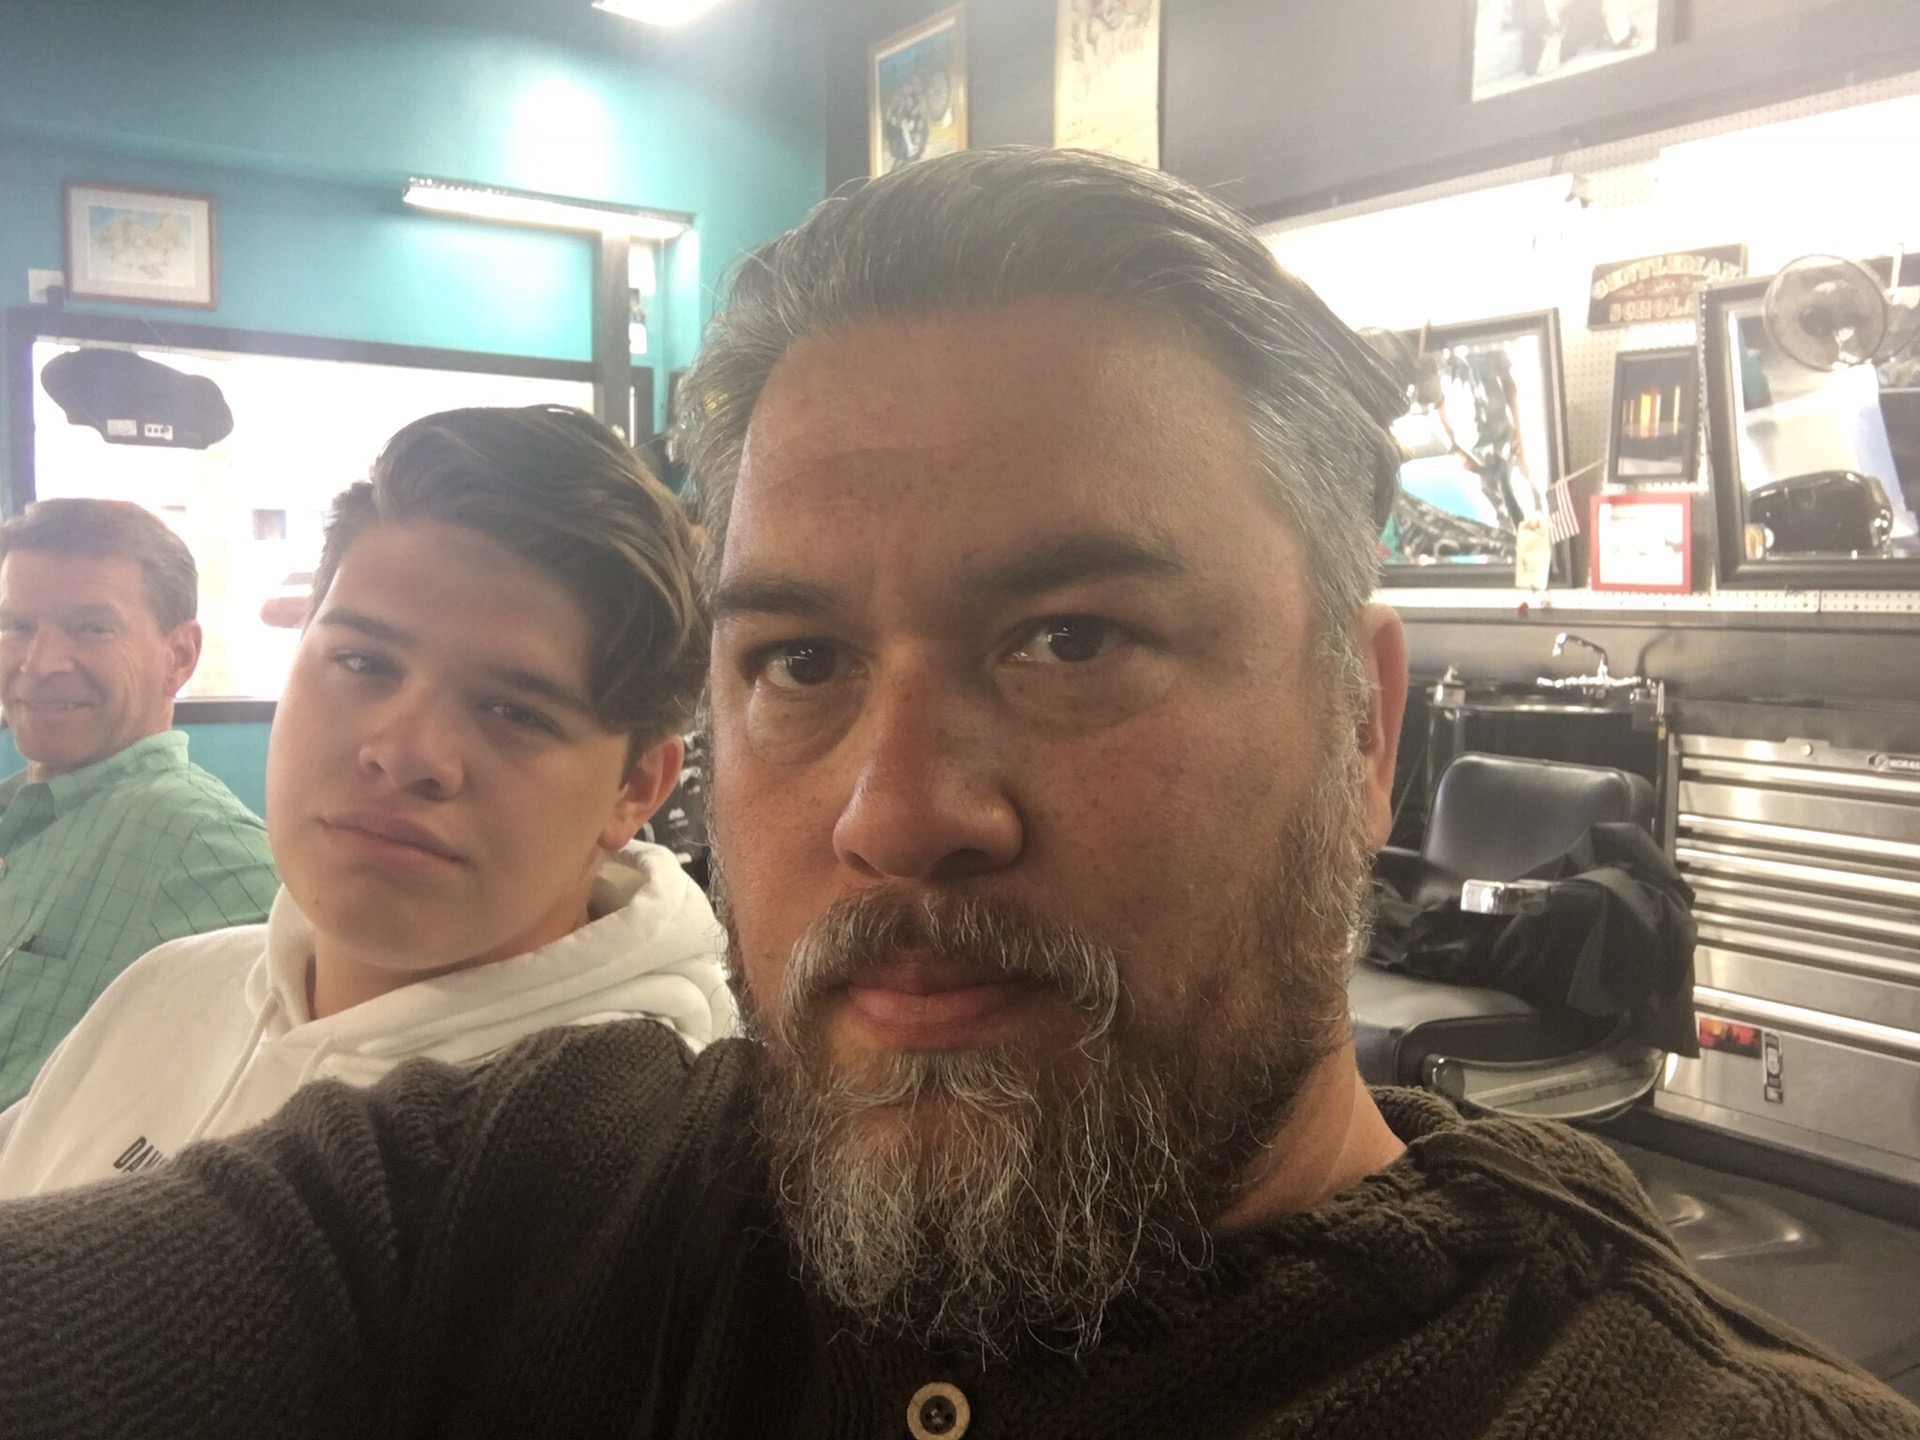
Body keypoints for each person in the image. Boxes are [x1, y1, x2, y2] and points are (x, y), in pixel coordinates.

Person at [3, 150, 1917, 1439]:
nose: (896, 812)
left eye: (1071, 638)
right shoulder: (520, 1198)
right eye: (802, 662)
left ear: (1361, 732)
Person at [0, 406, 734, 1196]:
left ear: (635, 789)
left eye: (515, 711)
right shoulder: (168, 989)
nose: (404, 752)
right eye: (362, 662)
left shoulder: (645, 1172)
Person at [0, 498, 277, 1108]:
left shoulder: (200, 843)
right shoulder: (24, 811)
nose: (39, 663)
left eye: (91, 628)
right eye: (17, 626)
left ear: (179, 657)